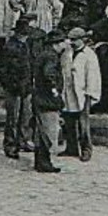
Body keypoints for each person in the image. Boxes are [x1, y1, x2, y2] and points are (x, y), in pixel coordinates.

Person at [0, 17, 34, 159]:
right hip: (14, 89)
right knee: (12, 119)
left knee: (25, 117)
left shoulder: (27, 46)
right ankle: (10, 144)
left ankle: (23, 140)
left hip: (26, 87)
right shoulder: (9, 47)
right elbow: (0, 70)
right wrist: (10, 85)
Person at [61, 27, 101, 161]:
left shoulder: (89, 55)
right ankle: (71, 147)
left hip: (82, 92)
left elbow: (93, 76)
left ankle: (86, 149)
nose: (71, 42)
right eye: (70, 40)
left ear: (82, 40)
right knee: (69, 121)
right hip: (68, 92)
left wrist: (90, 93)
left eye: (74, 40)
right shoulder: (67, 53)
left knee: (83, 123)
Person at [32, 27, 69, 173]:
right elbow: (49, 75)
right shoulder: (51, 57)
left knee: (41, 130)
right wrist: (55, 92)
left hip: (39, 96)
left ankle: (40, 161)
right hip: (47, 98)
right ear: (56, 43)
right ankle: (44, 162)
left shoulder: (43, 54)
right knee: (48, 130)